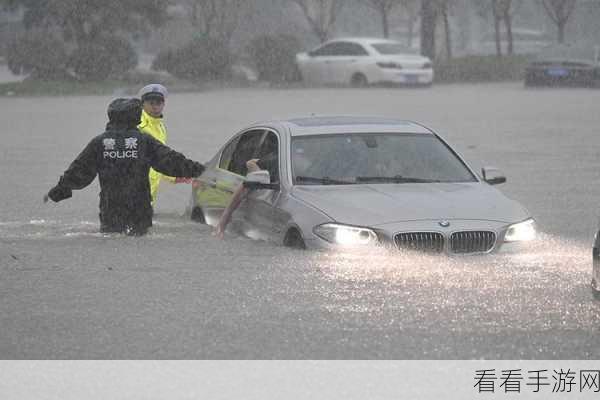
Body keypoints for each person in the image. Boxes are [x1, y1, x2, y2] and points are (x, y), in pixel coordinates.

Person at [44, 98, 205, 236]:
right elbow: (172, 162)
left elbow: (79, 171)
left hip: (111, 208)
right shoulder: (143, 141)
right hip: (139, 209)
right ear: (136, 117)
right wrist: (200, 170)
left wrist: (58, 191)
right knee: (138, 242)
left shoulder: (99, 143)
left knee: (112, 238)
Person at [137, 84, 186, 205]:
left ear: (163, 104)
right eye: (151, 103)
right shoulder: (138, 125)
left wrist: (175, 176)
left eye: (158, 103)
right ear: (142, 104)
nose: (155, 107)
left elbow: (159, 159)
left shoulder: (160, 126)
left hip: (148, 195)